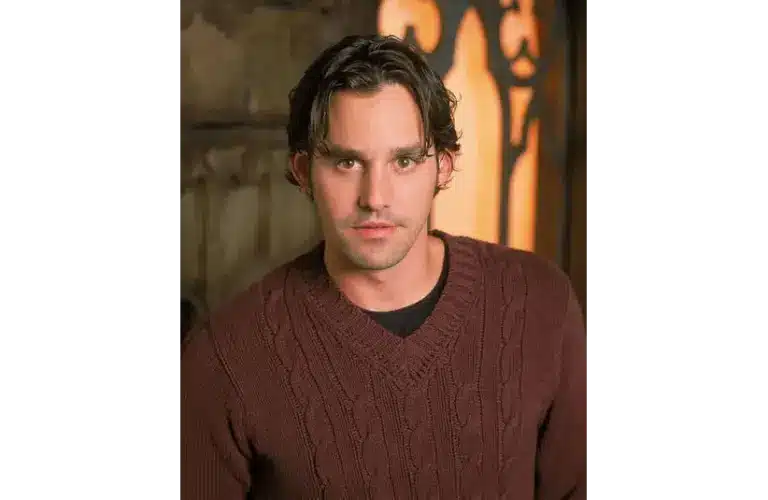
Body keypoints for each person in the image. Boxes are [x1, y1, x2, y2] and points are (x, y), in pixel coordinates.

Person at [180, 34, 589, 500]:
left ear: (444, 167)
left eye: (405, 161)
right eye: (347, 161)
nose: (375, 197)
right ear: (302, 170)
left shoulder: (540, 302)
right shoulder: (224, 357)